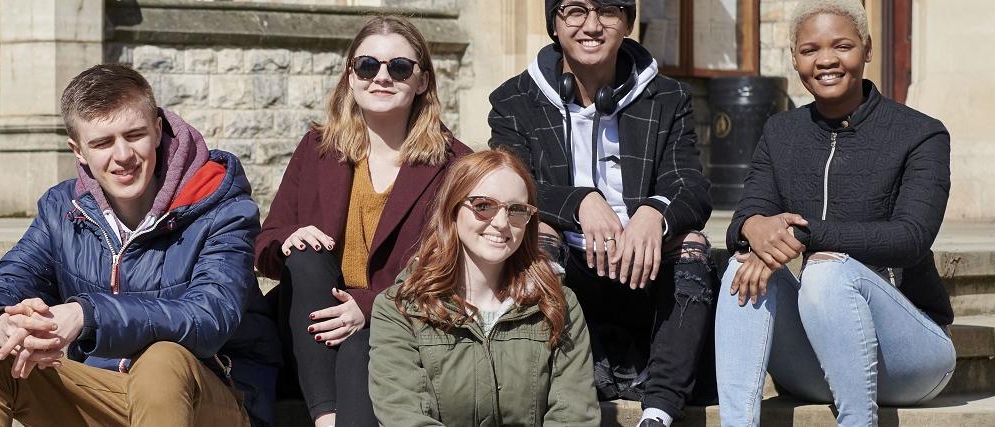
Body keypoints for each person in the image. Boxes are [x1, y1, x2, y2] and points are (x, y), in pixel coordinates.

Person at [0, 64, 281, 427]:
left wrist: (86, 316)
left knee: (162, 361)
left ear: (157, 130)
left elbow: (210, 317)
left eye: (134, 135)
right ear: (78, 151)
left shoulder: (220, 205)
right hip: (106, 390)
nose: (123, 156)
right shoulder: (63, 210)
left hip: (211, 397)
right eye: (103, 143)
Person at [715, 1, 956, 425]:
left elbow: (911, 238)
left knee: (826, 271)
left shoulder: (920, 133)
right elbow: (746, 217)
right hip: (815, 361)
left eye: (841, 46)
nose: (826, 60)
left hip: (908, 358)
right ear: (795, 59)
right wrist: (754, 227)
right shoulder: (781, 132)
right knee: (742, 266)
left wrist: (808, 238)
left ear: (866, 49)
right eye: (810, 50)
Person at [485, 1, 715, 425]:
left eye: (608, 9)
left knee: (693, 246)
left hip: (642, 272)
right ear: (554, 23)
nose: (591, 25)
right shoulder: (513, 101)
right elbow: (508, 186)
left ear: (627, 22)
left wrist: (653, 213)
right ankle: (536, 396)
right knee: (541, 237)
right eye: (575, 10)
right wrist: (580, 201)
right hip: (570, 276)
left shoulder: (668, 96)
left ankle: (660, 411)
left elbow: (691, 187)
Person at [253, 15, 471, 427]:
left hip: (402, 325)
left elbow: (457, 270)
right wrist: (288, 239)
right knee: (304, 254)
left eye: (400, 68)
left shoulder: (456, 164)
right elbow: (265, 246)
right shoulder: (318, 148)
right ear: (350, 76)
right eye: (368, 65)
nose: (381, 78)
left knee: (363, 346)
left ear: (422, 81)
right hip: (309, 325)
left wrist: (370, 305)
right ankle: (326, 414)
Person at [368, 149, 597, 427]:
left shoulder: (556, 304)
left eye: (516, 210)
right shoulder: (400, 308)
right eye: (483, 205)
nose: (501, 223)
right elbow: (404, 416)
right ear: (452, 209)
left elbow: (573, 416)